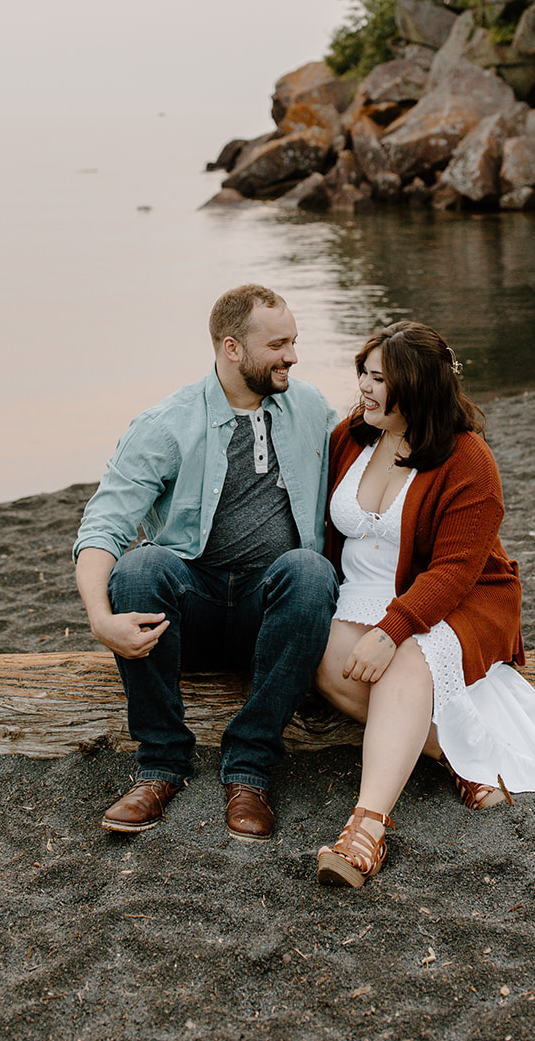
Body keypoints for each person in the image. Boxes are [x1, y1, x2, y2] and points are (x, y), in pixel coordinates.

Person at [73, 284, 338, 841]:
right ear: (232, 347)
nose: (292, 355)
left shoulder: (310, 407)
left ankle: (249, 767)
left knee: (311, 572)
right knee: (140, 567)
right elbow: (103, 525)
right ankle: (161, 764)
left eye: (294, 341)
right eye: (278, 344)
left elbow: (379, 448)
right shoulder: (166, 424)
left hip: (272, 615)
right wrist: (100, 619)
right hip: (188, 613)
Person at [314, 320, 535, 888]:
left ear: (419, 387)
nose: (365, 387)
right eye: (364, 372)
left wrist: (393, 628)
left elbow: (455, 570)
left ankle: (367, 828)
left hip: (454, 597)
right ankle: (456, 756)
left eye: (380, 379)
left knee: (405, 659)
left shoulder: (468, 459)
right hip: (360, 596)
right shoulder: (349, 437)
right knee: (326, 665)